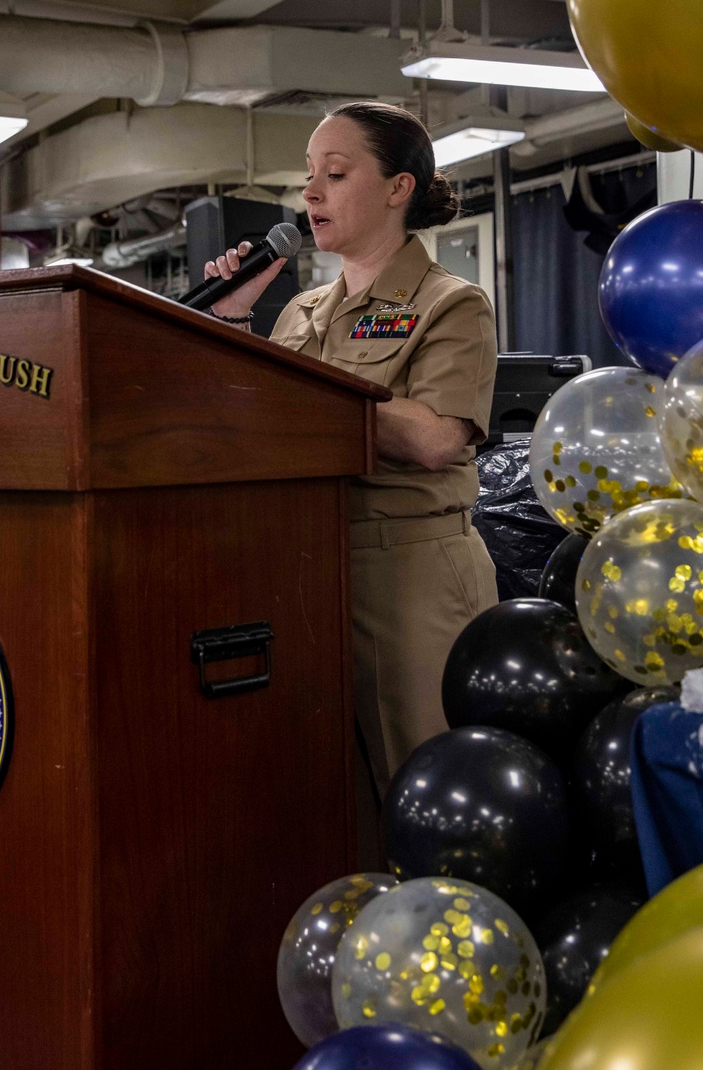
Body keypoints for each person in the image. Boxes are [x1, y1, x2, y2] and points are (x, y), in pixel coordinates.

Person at [203, 101, 498, 820]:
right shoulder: (299, 311)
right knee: (336, 805)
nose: (309, 193)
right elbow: (251, 429)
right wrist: (234, 318)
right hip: (310, 569)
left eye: (334, 173)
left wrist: (303, 391)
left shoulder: (451, 304)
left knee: (428, 796)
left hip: (410, 575)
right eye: (308, 175)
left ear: (398, 189)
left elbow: (433, 439)